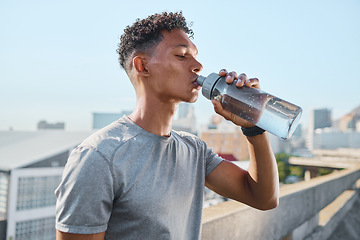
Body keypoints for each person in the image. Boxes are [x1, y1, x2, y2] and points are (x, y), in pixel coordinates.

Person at [55, 11, 279, 240]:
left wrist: (253, 127)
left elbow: (263, 198)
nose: (198, 66)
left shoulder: (194, 150)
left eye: (196, 56)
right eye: (182, 56)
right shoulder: (99, 156)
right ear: (142, 66)